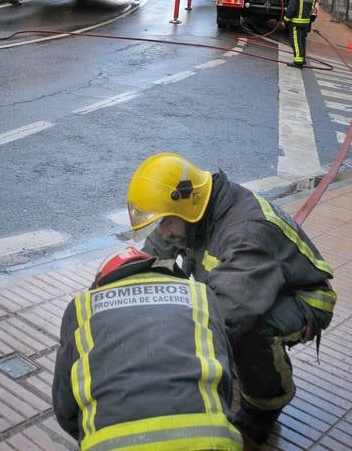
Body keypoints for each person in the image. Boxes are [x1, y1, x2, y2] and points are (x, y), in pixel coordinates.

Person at [127, 153, 337, 447]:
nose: (164, 232)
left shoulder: (246, 232)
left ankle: (263, 407)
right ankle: (242, 370)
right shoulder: (193, 211)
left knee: (247, 333)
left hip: (303, 297)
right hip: (255, 287)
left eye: (167, 223)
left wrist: (167, 363)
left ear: (189, 208)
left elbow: (229, 315)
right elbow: (148, 260)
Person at [53, 246, 243, 450]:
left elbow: (66, 408)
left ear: (102, 282)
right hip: (211, 441)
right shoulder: (202, 296)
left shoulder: (83, 306)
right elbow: (225, 380)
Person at [284, 0, 317, 68]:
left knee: (296, 42)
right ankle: (302, 59)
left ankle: (298, 62)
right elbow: (311, 9)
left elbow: (291, 9)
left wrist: (286, 20)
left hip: (295, 23)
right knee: (302, 41)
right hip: (306, 23)